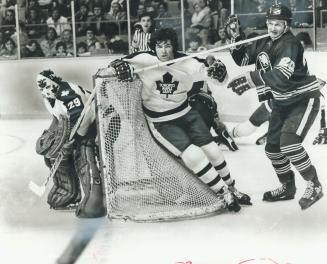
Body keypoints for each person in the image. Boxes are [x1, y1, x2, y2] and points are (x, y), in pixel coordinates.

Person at [108, 28, 251, 212]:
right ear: (154, 48)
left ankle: (232, 186)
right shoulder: (143, 59)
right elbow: (115, 64)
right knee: (194, 155)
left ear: (174, 46)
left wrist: (220, 73)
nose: (164, 51)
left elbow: (216, 78)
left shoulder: (187, 61)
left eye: (168, 45)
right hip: (162, 122)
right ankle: (223, 192)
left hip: (186, 113)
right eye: (159, 46)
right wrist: (119, 67)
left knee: (213, 150)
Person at [225, 4, 324, 210]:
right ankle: (287, 187)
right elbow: (242, 58)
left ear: (287, 25)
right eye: (270, 23)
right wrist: (235, 37)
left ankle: (314, 185)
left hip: (302, 99)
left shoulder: (291, 44)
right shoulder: (265, 41)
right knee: (272, 148)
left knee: (288, 144)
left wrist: (252, 79)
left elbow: (280, 76)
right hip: (281, 101)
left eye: (278, 24)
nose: (273, 28)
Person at [35, 70, 106, 218]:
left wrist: (73, 142)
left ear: (55, 82)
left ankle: (96, 200)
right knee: (54, 154)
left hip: (100, 121)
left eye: (47, 85)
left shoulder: (67, 92)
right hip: (83, 125)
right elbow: (58, 118)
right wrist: (51, 135)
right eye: (41, 87)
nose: (45, 90)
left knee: (83, 154)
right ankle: (70, 193)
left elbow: (82, 119)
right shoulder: (49, 98)